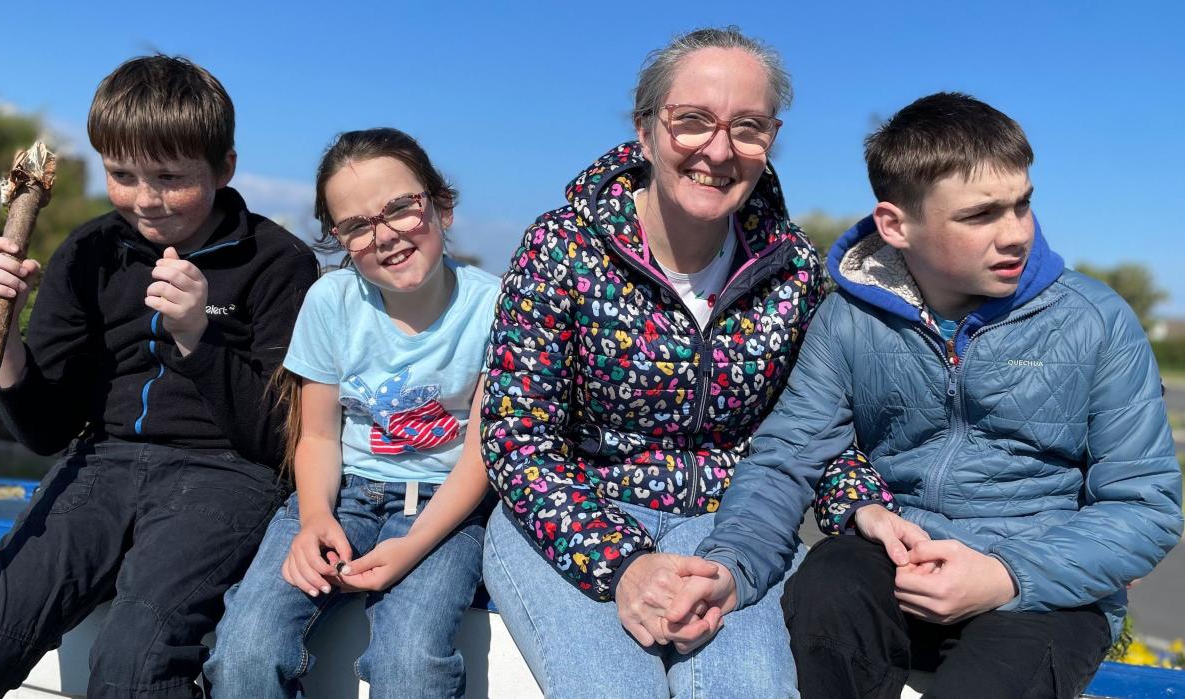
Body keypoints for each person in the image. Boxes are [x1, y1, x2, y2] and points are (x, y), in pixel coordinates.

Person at [679, 92, 1184, 698]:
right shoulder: (847, 321)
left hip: (1040, 592)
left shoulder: (1096, 320)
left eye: (1022, 205)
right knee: (828, 581)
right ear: (896, 226)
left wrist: (1004, 576)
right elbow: (785, 458)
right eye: (980, 216)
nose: (1015, 234)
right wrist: (731, 565)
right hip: (902, 562)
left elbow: (1145, 506)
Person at [480, 27, 893, 697]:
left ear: (771, 140)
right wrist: (624, 564)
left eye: (748, 128)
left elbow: (815, 430)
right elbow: (516, 433)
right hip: (572, 516)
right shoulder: (560, 248)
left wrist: (865, 508)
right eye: (692, 121)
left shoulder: (793, 272)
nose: (718, 150)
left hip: (734, 530)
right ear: (645, 130)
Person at [0, 55, 318, 697]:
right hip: (100, 464)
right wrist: (0, 342)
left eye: (171, 178)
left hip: (227, 474)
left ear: (224, 167)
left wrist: (200, 340)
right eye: (122, 174)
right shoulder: (88, 253)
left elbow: (283, 439)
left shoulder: (279, 263)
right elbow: (46, 431)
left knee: (134, 665)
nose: (146, 200)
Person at [203, 128, 499, 699]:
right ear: (339, 239)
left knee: (410, 665)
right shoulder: (330, 301)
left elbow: (482, 454)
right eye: (358, 226)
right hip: (341, 496)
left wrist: (411, 547)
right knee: (247, 648)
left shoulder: (496, 307)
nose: (385, 235)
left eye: (401, 209)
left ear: (442, 207)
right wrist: (314, 519)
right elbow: (317, 436)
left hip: (445, 509)